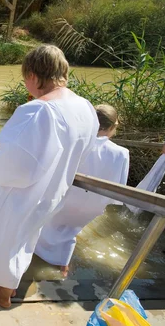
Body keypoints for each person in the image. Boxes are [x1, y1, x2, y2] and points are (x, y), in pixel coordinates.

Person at [0, 45, 98, 308]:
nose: (25, 83)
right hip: (55, 188)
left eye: (25, 77)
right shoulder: (85, 108)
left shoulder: (38, 110)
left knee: (6, 239)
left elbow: (15, 165)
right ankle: (7, 284)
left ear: (35, 77)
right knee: (25, 238)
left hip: (23, 193)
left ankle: (1, 293)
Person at [35, 104, 129, 277]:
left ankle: (37, 256)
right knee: (71, 230)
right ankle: (63, 266)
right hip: (94, 205)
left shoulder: (74, 143)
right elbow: (118, 188)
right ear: (112, 127)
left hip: (66, 198)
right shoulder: (122, 153)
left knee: (48, 223)